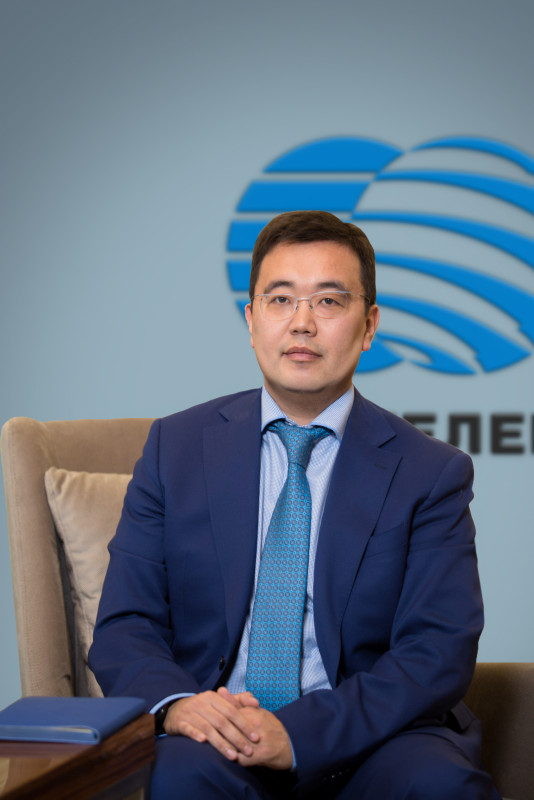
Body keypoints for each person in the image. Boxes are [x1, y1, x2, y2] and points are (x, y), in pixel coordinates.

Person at [89, 210, 500, 799]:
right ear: (252, 320)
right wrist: (179, 706)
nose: (302, 323)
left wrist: (299, 734)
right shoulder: (174, 448)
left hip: (370, 741)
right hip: (216, 736)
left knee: (438, 784)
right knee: (174, 775)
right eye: (280, 300)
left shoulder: (430, 472)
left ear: (369, 325)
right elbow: (126, 623)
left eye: (329, 302)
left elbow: (438, 649)